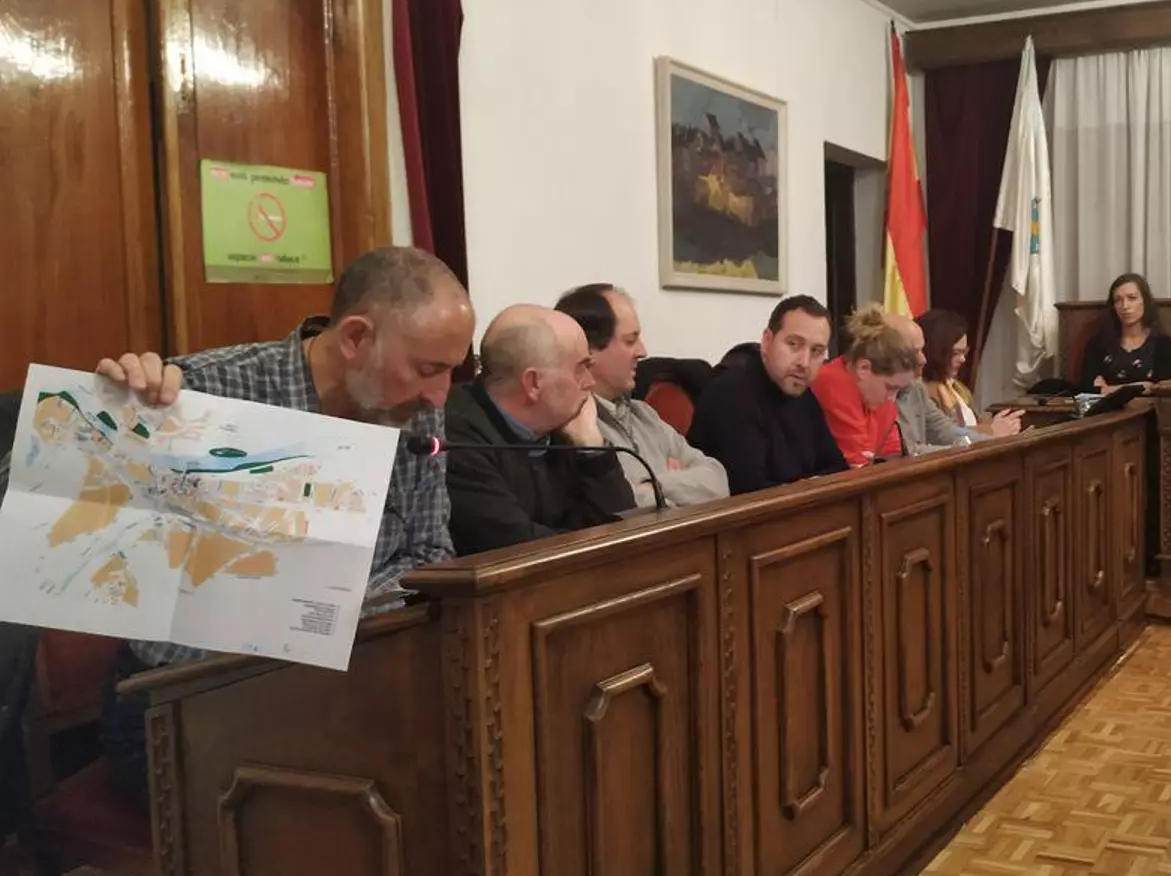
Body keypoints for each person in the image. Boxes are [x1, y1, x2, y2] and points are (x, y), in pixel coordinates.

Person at [8, 246, 476, 811]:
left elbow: (429, 555)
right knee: (344, 810)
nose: (440, 395)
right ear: (356, 338)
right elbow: (32, 510)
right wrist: (109, 417)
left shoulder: (412, 409)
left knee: (462, 770)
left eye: (453, 370)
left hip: (340, 685)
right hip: (185, 703)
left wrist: (323, 608)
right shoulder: (202, 393)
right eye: (428, 370)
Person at [444, 305, 634, 555]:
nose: (590, 382)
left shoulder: (564, 426)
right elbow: (516, 547)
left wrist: (593, 450)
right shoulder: (457, 437)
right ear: (533, 383)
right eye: (580, 368)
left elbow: (624, 527)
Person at [555, 284, 728, 508]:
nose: (643, 351)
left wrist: (654, 484)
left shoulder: (645, 414)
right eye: (630, 341)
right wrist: (681, 486)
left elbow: (717, 481)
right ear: (588, 350)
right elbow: (619, 506)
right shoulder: (571, 428)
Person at [688, 295, 847, 494]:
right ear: (767, 341)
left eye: (816, 351)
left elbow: (838, 468)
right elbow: (749, 493)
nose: (804, 362)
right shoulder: (730, 394)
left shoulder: (803, 394)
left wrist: (806, 487)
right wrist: (809, 487)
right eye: (794, 344)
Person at [810, 305, 919, 467]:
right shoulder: (834, 383)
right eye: (890, 387)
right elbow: (858, 463)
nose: (892, 398)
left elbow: (893, 458)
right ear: (864, 368)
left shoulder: (883, 400)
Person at [915, 309, 1023, 437]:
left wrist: (1003, 425)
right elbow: (946, 434)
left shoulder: (958, 388)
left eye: (964, 352)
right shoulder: (922, 391)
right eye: (956, 353)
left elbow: (975, 423)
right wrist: (991, 430)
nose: (963, 359)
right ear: (935, 351)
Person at [885, 312, 975, 454]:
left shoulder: (916, 388)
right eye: (915, 352)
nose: (923, 360)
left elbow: (946, 430)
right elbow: (908, 452)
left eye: (922, 350)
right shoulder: (877, 394)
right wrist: (961, 449)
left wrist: (991, 442)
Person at [1081, 273, 1171, 390]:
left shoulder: (1165, 345)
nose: (1125, 306)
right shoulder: (1097, 344)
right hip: (1108, 403)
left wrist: (1108, 389)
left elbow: (1161, 388)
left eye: (1132, 298)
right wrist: (1142, 386)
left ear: (1145, 301)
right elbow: (1087, 388)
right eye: (1118, 300)